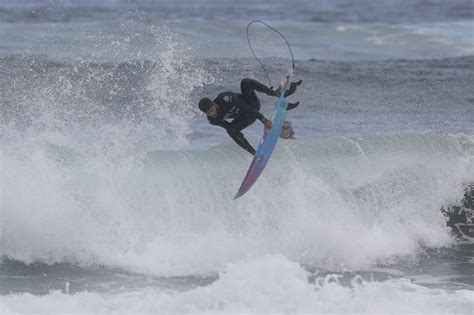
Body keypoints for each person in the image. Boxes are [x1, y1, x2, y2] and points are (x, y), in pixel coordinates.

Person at [198, 78, 302, 155]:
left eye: (212, 110)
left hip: (251, 104)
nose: (212, 113)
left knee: (245, 82)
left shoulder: (225, 99)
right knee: (231, 131)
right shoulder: (213, 120)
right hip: (246, 117)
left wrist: (264, 120)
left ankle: (273, 93)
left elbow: (248, 109)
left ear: (214, 104)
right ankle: (254, 153)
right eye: (209, 113)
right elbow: (231, 128)